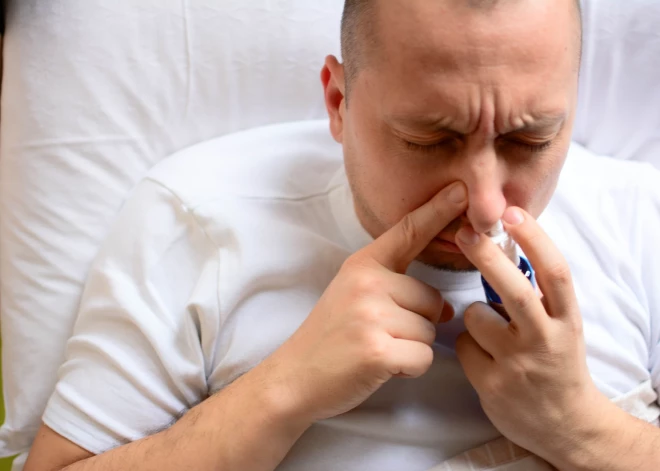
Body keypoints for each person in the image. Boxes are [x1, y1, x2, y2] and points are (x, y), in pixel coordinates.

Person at [24, 0, 660, 470]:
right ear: (338, 101)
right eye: (428, 140)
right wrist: (283, 391)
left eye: (531, 139)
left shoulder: (639, 220)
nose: (485, 207)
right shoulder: (198, 221)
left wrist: (583, 430)